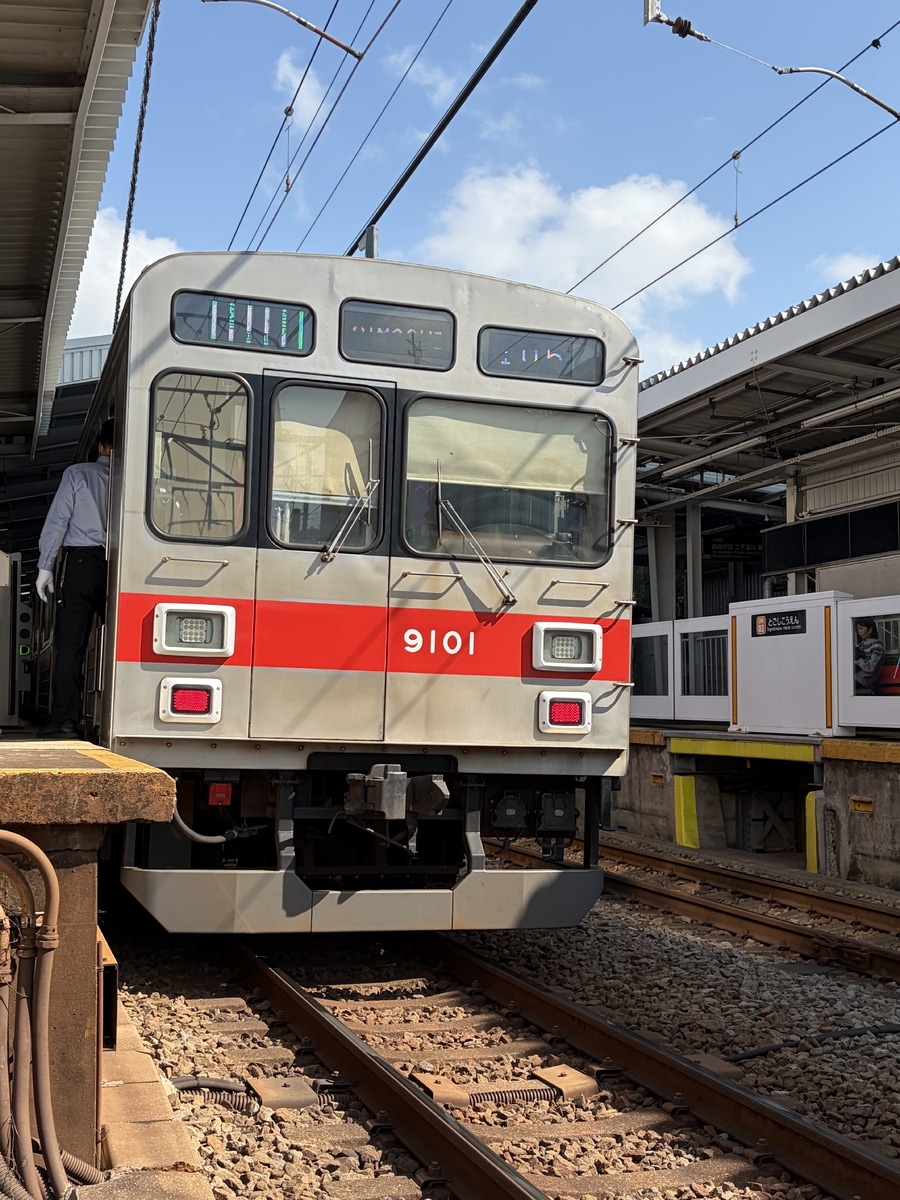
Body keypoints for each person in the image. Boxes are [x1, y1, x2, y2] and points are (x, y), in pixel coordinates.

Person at [35, 419, 114, 737]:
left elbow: (58, 521)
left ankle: (66, 720)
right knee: (118, 644)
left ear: (100, 447)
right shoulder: (137, 478)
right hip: (122, 564)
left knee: (71, 646)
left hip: (81, 563)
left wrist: (46, 565)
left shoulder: (78, 474)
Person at [853, 617, 885, 694]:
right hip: (855, 677)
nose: (859, 631)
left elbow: (871, 667)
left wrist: (858, 662)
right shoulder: (859, 645)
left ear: (870, 628)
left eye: (861, 628)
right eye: (858, 629)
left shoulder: (877, 645)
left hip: (866, 679)